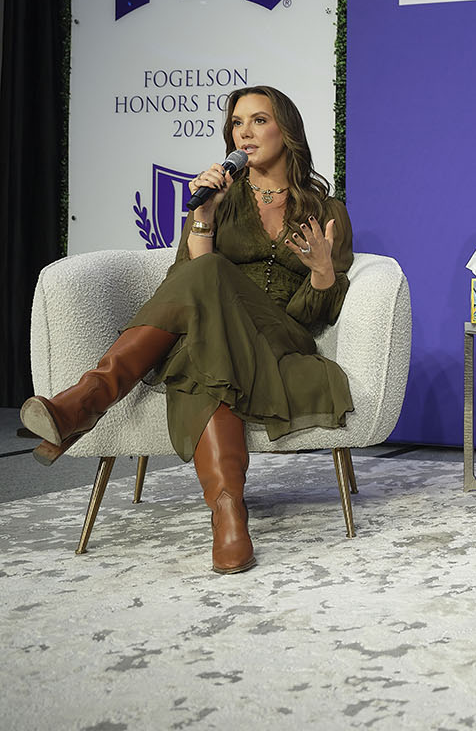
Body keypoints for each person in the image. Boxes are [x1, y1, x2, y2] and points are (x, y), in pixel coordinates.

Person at [21, 86, 354, 575]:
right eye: (238, 122)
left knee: (210, 274)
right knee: (204, 347)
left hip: (280, 336)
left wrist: (323, 273)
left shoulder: (326, 211)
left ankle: (87, 399)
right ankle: (229, 519)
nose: (245, 131)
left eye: (259, 120)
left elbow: (312, 317)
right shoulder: (220, 198)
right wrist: (203, 218)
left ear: (287, 130)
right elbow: (189, 284)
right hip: (217, 337)